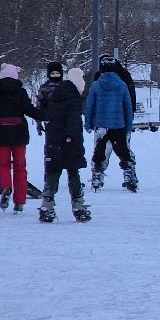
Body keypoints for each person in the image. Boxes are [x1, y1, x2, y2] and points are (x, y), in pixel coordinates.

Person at [39, 67, 91, 223]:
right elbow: (74, 120)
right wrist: (70, 136)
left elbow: (49, 115)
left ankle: (47, 205)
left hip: (53, 139)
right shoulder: (74, 99)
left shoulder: (56, 96)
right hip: (70, 142)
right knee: (73, 173)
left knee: (53, 171)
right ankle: (79, 206)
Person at [0, 63, 42, 213]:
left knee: (3, 164)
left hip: (1, 132)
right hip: (19, 132)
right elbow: (30, 110)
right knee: (20, 167)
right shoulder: (20, 92)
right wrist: (47, 115)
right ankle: (19, 201)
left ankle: (6, 187)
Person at [85, 58, 137, 192]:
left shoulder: (96, 85)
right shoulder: (122, 85)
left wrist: (88, 123)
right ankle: (128, 175)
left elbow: (90, 105)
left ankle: (97, 175)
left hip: (101, 124)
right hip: (118, 124)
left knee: (99, 150)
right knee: (123, 150)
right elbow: (128, 107)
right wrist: (128, 124)